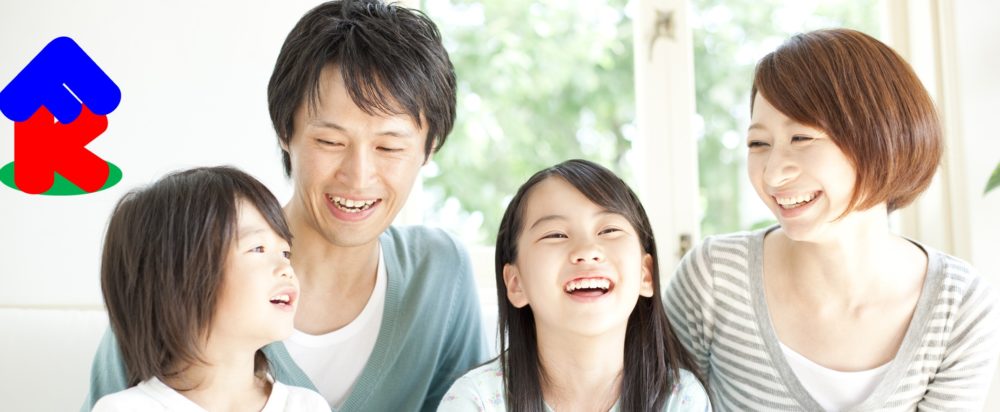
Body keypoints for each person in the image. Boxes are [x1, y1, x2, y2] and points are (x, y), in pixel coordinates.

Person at [83, 1, 488, 410]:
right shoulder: (184, 273)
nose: (358, 176)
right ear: (284, 130)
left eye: (389, 147)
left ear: (429, 148)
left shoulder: (438, 274)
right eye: (330, 141)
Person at [664, 28, 1000, 411]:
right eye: (758, 144)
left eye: (802, 138)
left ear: (882, 138)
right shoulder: (713, 280)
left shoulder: (957, 305)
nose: (773, 174)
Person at [439, 159, 710, 412]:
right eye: (555, 235)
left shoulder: (680, 399)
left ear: (646, 274)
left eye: (609, 230)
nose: (587, 250)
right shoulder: (475, 400)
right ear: (516, 283)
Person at [91, 166, 329, 411]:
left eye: (286, 252)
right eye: (258, 248)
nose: (286, 269)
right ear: (179, 276)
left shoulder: (307, 406)